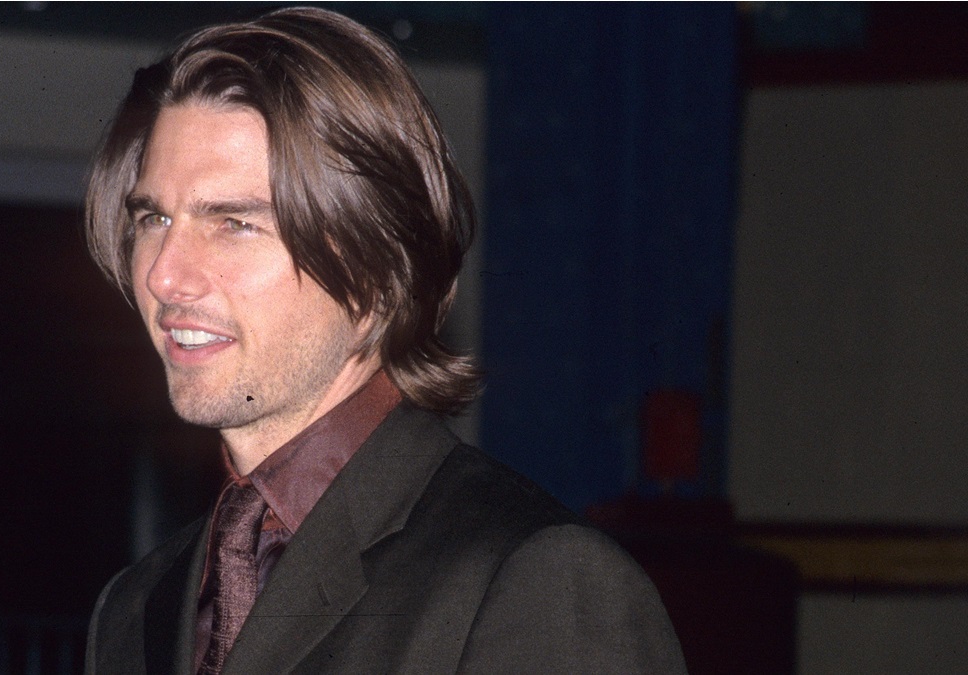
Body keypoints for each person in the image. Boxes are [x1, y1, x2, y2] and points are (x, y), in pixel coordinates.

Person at [83, 7, 685, 673]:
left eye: (234, 223)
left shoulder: (534, 581)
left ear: (376, 271)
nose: (165, 273)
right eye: (153, 217)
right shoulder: (134, 607)